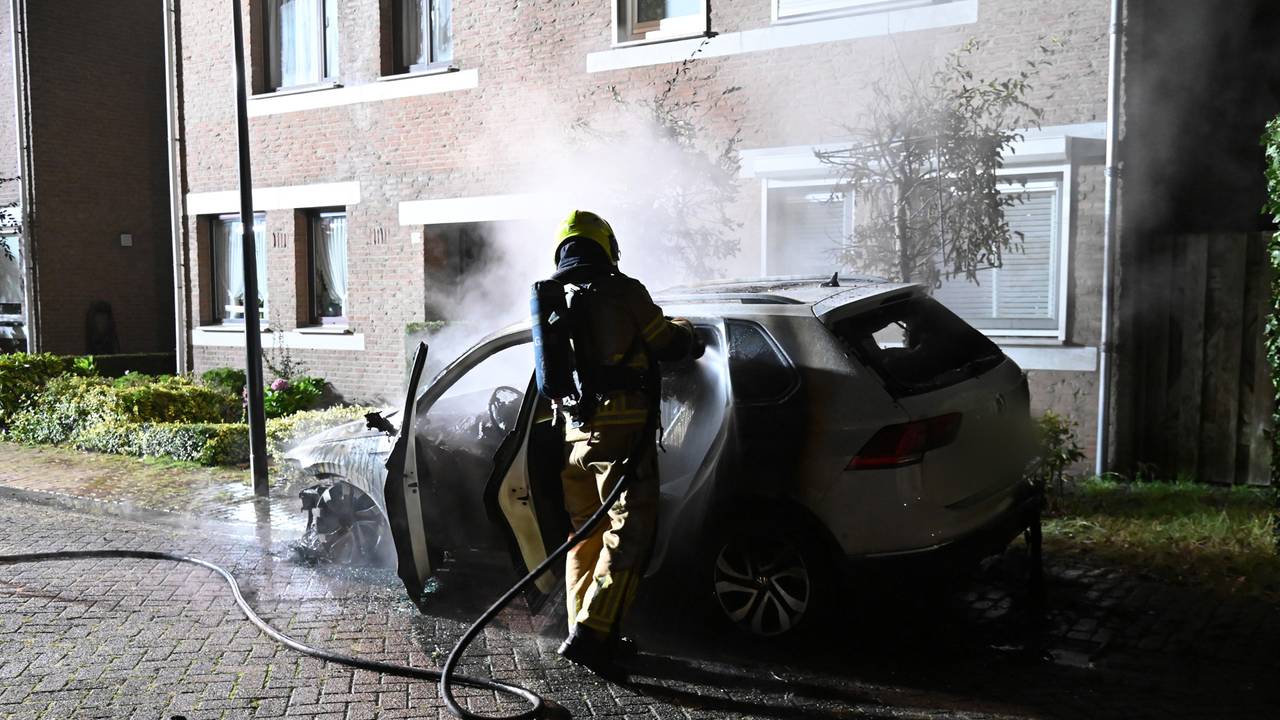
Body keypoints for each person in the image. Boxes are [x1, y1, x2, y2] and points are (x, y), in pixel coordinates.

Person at [548, 210, 699, 680]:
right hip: (620, 434)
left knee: (585, 534)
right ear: (606, 246)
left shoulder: (559, 298)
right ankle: (594, 634)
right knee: (629, 533)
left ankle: (586, 630)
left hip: (574, 439)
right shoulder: (622, 290)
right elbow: (667, 344)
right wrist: (688, 330)